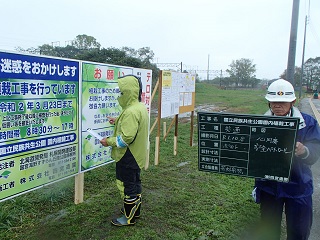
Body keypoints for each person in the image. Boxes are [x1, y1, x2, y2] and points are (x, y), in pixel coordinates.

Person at [253, 79, 320, 240]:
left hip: (299, 186)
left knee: (299, 231)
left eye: (283, 102)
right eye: (274, 102)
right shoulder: (259, 123)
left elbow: (315, 151)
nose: (278, 106)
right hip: (269, 186)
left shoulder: (308, 123)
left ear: (293, 102)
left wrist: (304, 151)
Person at [100, 75, 149, 226]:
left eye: (122, 92)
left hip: (128, 156)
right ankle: (135, 210)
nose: (120, 95)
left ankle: (128, 218)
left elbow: (126, 138)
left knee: (127, 185)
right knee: (135, 181)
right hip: (137, 155)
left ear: (128, 92)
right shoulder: (139, 107)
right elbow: (134, 126)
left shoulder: (130, 112)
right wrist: (117, 121)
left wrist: (108, 142)